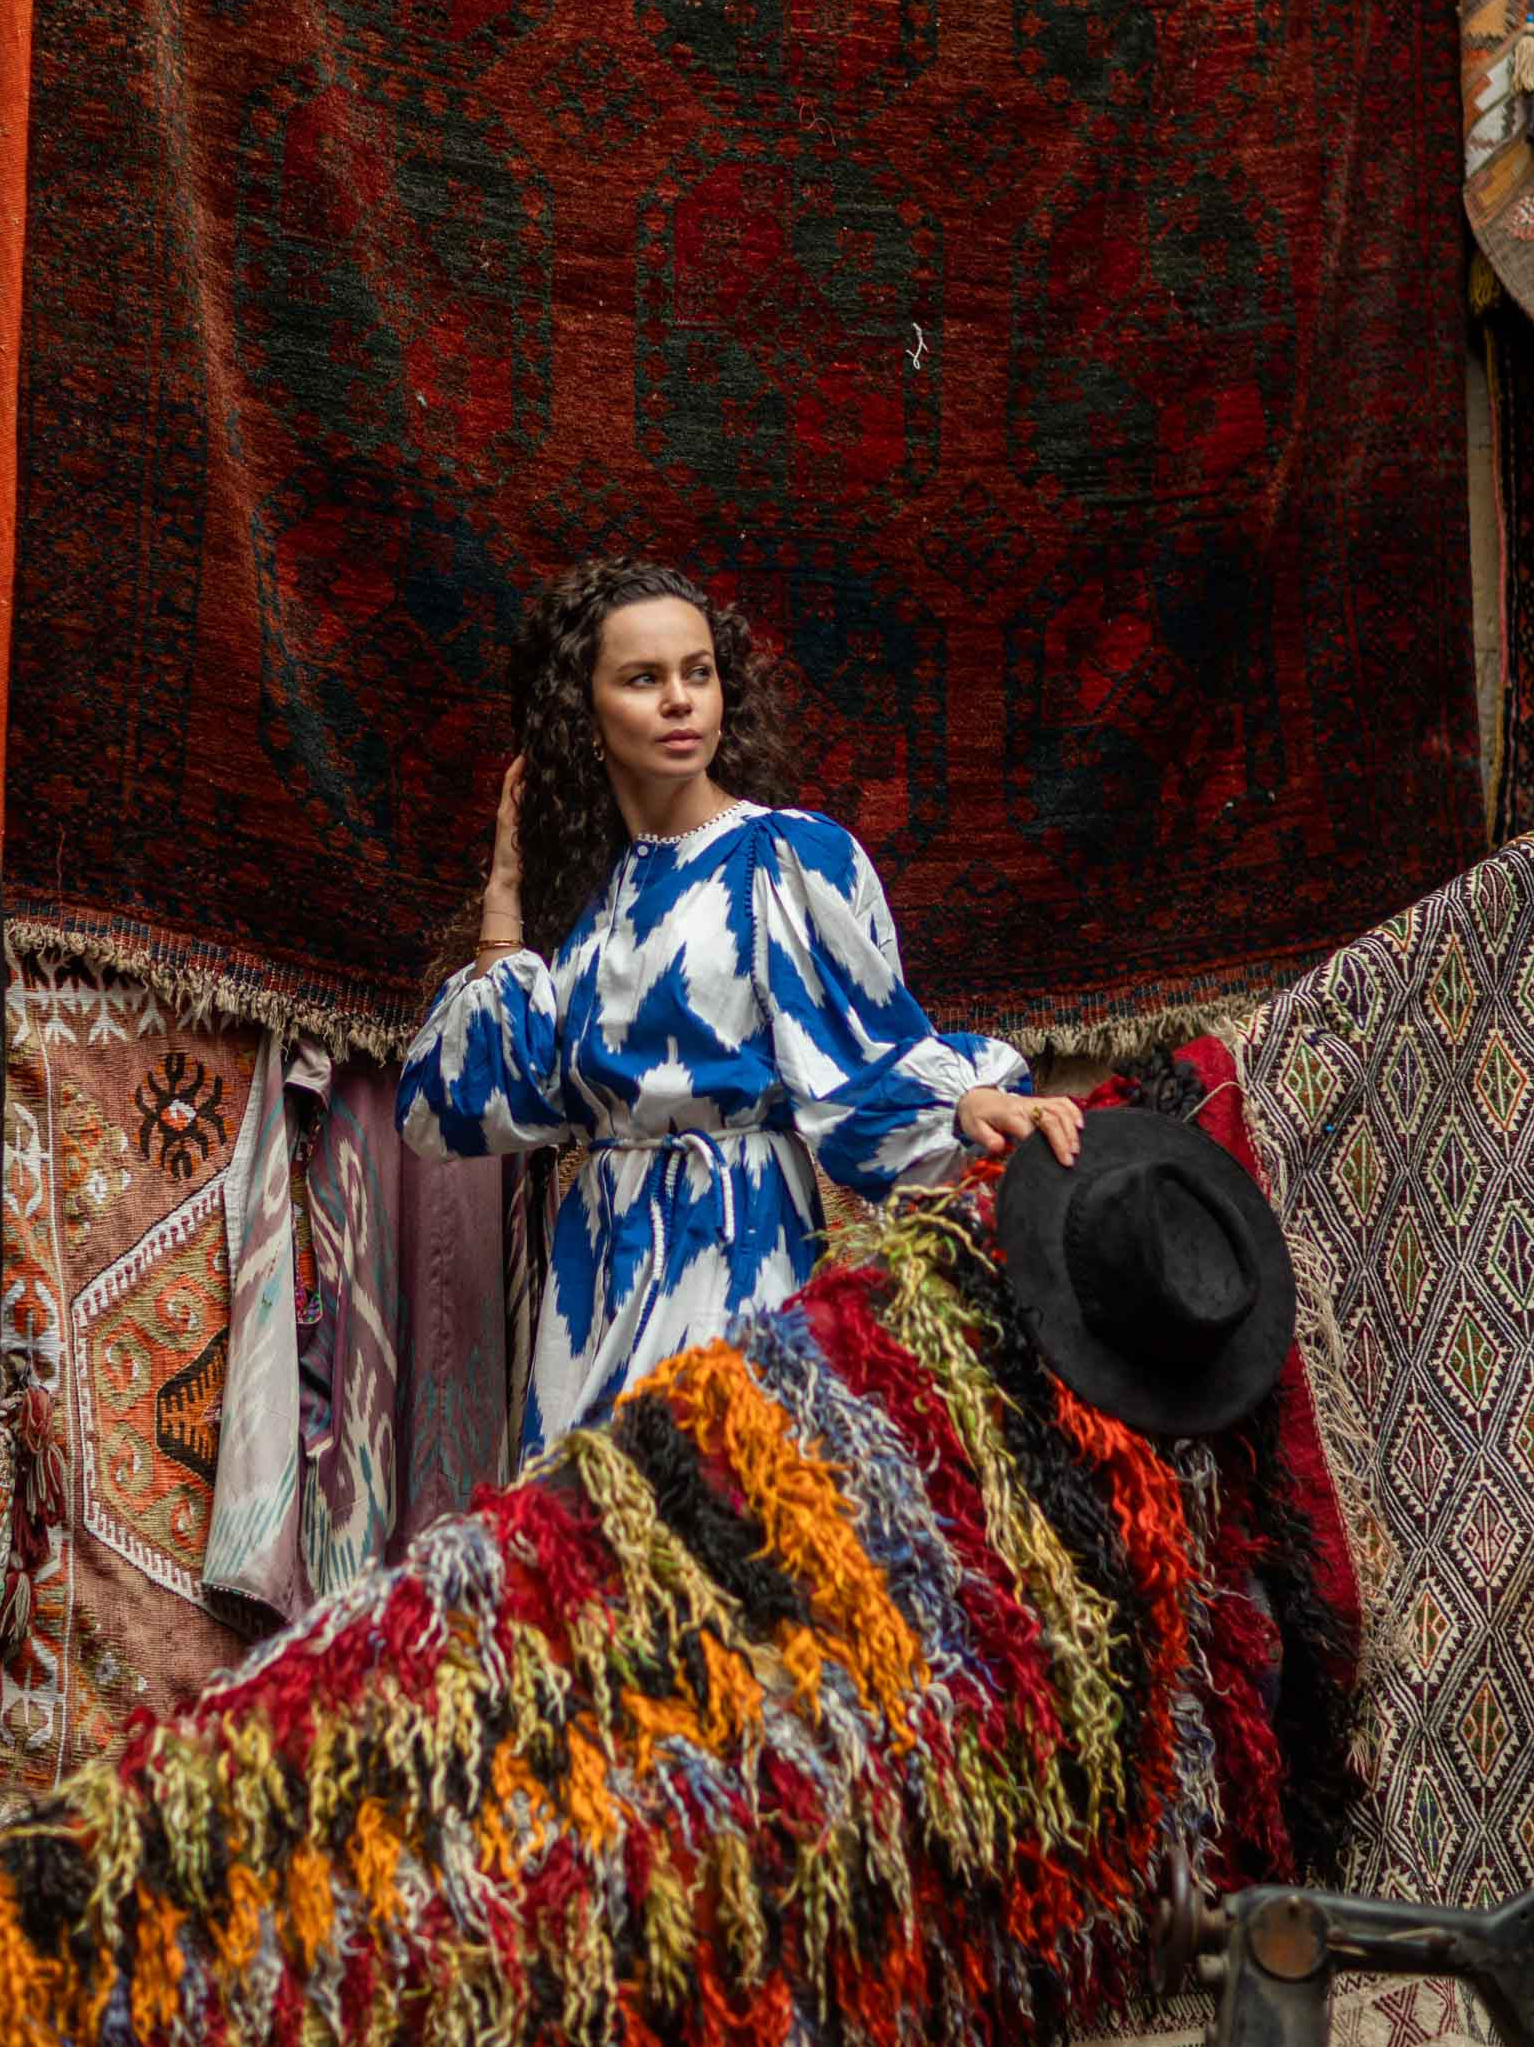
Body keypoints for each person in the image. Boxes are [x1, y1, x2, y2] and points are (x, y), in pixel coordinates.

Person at [398, 555, 1083, 1451]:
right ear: (584, 713)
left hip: (738, 1237)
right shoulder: (593, 909)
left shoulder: (784, 858)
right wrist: (505, 889)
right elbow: (453, 1105)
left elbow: (862, 1048)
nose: (681, 701)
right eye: (644, 679)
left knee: (725, 1513)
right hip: (598, 1267)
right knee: (591, 1550)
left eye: (699, 672)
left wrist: (964, 1102)